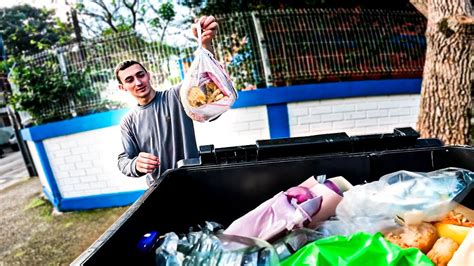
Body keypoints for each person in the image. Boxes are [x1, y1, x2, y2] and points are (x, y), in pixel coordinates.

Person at [116, 16, 218, 185]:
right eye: (129, 80)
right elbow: (124, 160)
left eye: (141, 75)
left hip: (194, 182)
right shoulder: (128, 122)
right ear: (122, 87)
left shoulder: (177, 96)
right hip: (159, 190)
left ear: (148, 76)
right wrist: (136, 165)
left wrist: (205, 43)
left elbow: (205, 83)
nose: (138, 82)